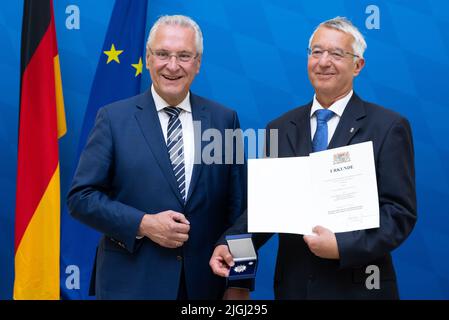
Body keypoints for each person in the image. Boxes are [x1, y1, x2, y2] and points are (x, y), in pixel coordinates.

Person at [210, 16, 417, 299]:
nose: (323, 61)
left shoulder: (388, 126)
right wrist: (231, 245)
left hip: (360, 289)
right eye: (316, 52)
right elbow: (263, 210)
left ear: (358, 65)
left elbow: (399, 213)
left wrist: (343, 246)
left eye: (336, 53)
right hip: (294, 289)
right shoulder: (279, 128)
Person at [67, 15, 246, 300]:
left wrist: (241, 285)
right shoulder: (113, 119)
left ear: (198, 63)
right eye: (163, 54)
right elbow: (81, 198)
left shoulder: (225, 121)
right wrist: (144, 224)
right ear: (148, 58)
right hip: (130, 285)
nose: (172, 66)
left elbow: (241, 214)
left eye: (184, 56)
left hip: (203, 288)